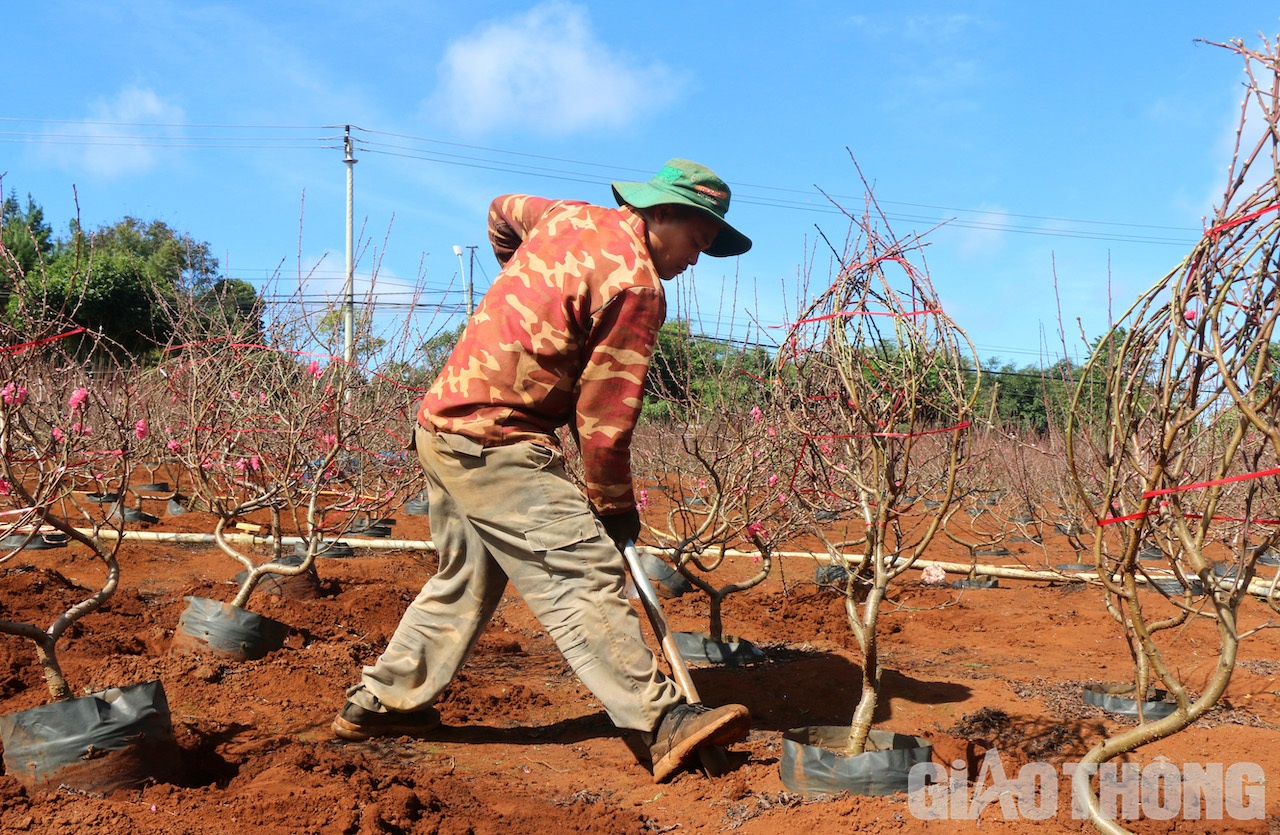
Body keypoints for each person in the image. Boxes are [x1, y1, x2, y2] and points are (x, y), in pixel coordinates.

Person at [332, 159, 753, 783]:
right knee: (582, 570)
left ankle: (383, 704)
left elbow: (502, 208)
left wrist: (525, 286)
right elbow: (604, 423)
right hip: (495, 438)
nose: (696, 259)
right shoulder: (637, 287)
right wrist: (614, 509)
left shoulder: (565, 217)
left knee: (466, 580)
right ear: (661, 213)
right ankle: (659, 723)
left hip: (441, 423)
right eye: (698, 240)